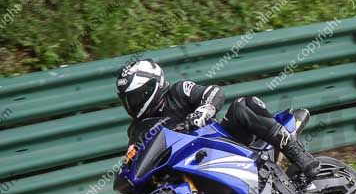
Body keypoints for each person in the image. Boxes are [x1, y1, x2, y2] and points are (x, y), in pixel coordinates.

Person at [115, 59, 320, 179]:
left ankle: (297, 154)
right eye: (127, 100)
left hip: (224, 142)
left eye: (135, 97)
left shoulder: (178, 92)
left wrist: (203, 111)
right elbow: (135, 155)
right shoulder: (137, 129)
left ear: (153, 86)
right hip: (191, 166)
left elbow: (214, 92)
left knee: (242, 106)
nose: (132, 104)